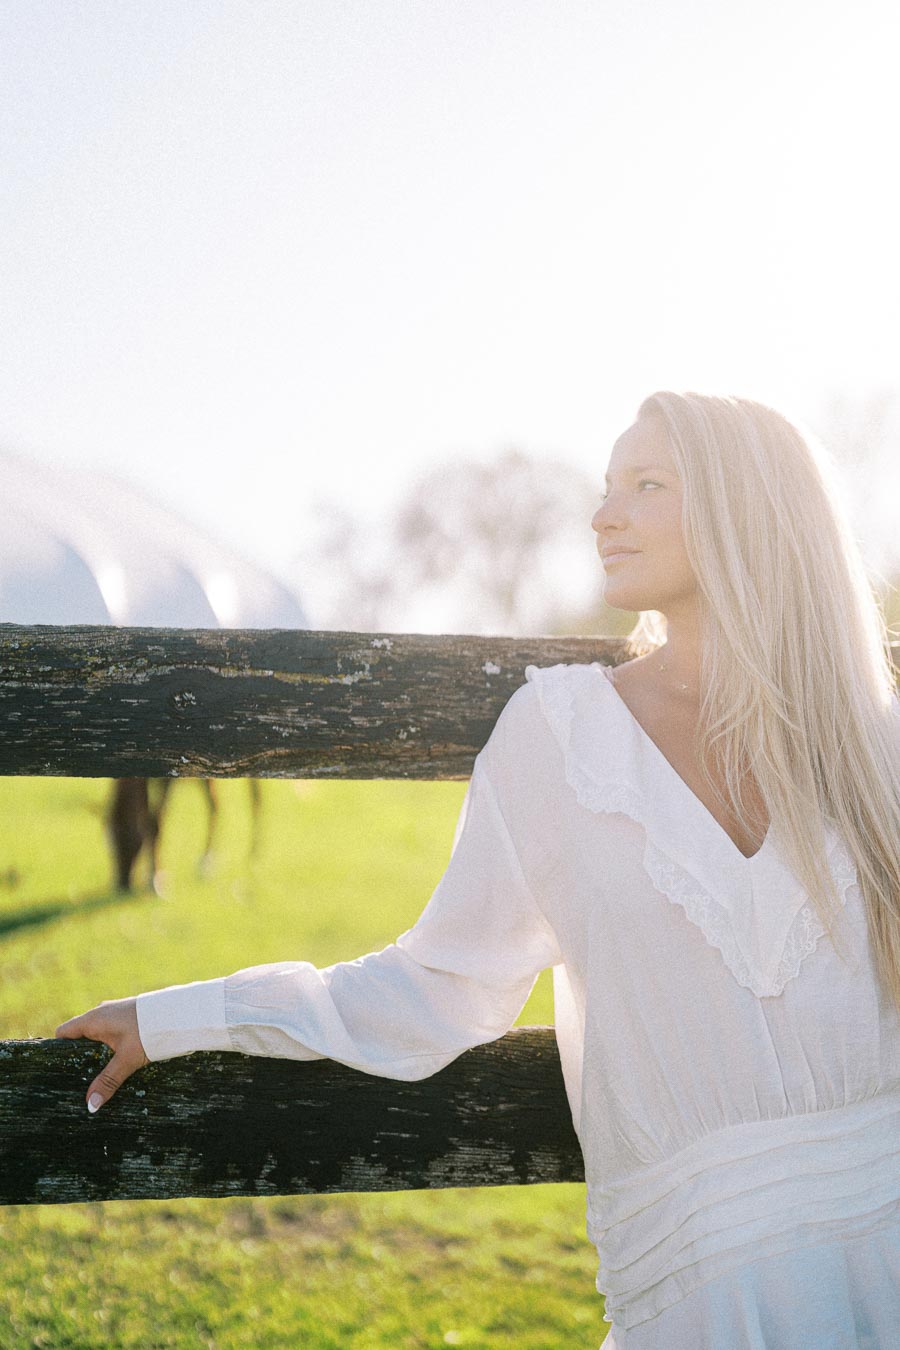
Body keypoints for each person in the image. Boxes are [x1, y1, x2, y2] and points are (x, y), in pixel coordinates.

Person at [55, 391, 900, 1348]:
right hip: (700, 1304)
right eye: (607, 485)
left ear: (750, 509)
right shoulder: (561, 738)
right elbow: (435, 992)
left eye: (647, 484)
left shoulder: (874, 744)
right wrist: (180, 1018)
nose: (602, 515)